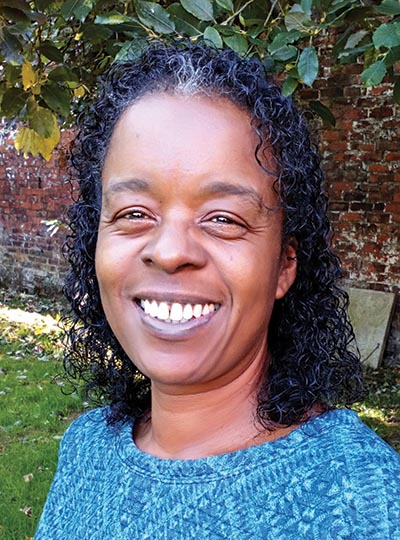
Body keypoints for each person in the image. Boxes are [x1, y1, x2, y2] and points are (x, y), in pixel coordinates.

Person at [35, 42, 400, 539]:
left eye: (223, 219)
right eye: (134, 213)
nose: (169, 252)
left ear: (284, 264)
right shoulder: (87, 448)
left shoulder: (360, 501)